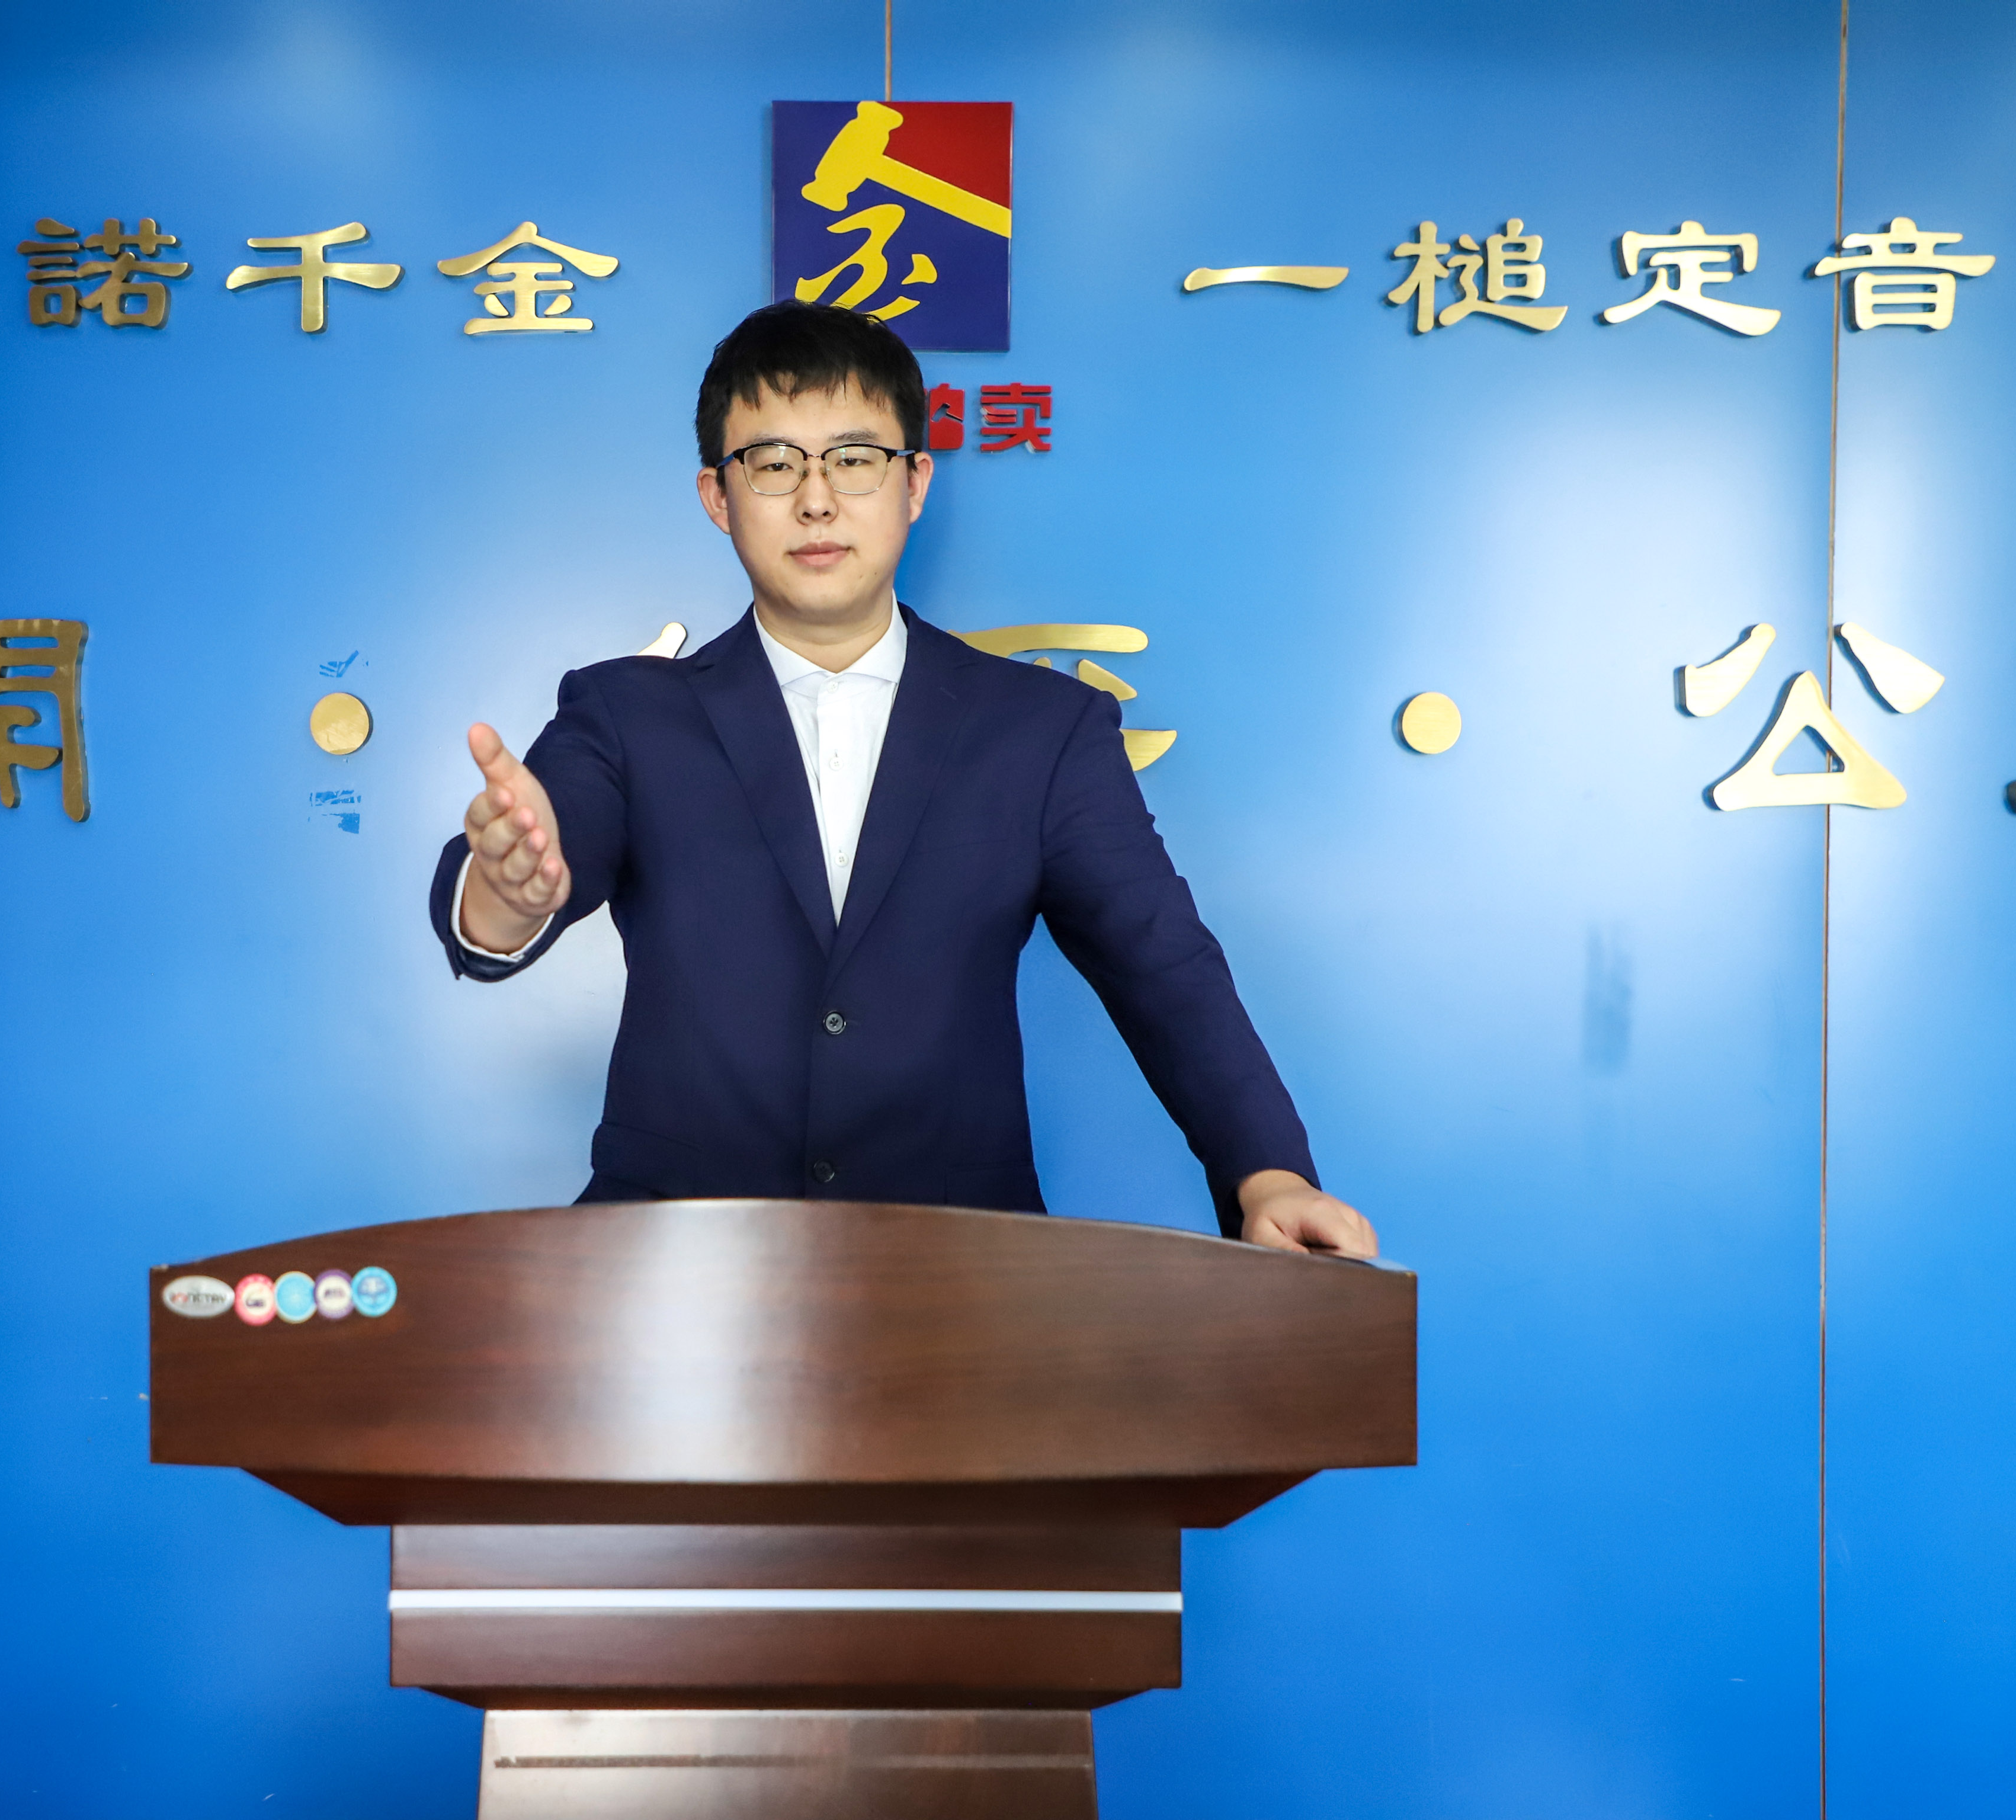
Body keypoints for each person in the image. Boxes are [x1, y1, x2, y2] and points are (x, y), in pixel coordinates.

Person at [430, 301, 1374, 1255]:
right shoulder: (626, 712)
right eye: (773, 463)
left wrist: (1269, 1174)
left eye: (854, 458)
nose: (816, 500)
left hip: (964, 1273)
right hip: (672, 1268)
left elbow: (1162, 963)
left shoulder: (1042, 731)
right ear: (718, 496)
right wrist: (506, 896)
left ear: (915, 482)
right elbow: (529, 866)